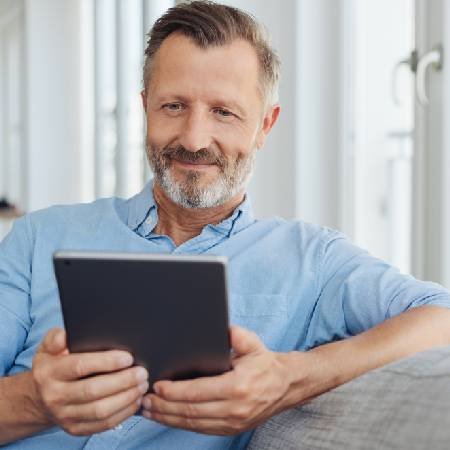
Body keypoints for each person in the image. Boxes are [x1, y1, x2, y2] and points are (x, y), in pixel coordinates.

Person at [1, 1, 450, 449]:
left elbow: (440, 317)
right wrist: (36, 401)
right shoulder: (37, 238)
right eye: (173, 106)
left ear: (265, 125)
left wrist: (289, 378)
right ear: (145, 108)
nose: (194, 140)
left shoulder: (313, 262)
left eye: (224, 112)